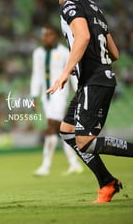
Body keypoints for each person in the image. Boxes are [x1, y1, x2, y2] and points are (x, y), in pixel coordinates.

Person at [47, 0, 133, 203]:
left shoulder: (70, 6)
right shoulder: (95, 7)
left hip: (94, 80)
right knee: (67, 132)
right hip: (98, 78)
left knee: (85, 141)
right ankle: (107, 182)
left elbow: (82, 36)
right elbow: (115, 52)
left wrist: (64, 72)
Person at [30, 24, 83, 176]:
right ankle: (74, 163)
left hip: (60, 94)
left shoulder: (65, 52)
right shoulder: (38, 53)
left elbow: (72, 72)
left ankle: (45, 166)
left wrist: (78, 91)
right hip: (45, 96)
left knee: (51, 126)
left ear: (56, 36)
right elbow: (36, 75)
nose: (46, 37)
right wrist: (34, 96)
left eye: (49, 34)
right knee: (61, 129)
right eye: (44, 35)